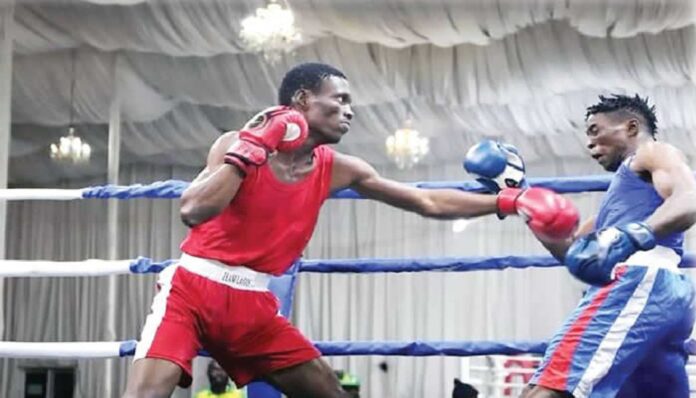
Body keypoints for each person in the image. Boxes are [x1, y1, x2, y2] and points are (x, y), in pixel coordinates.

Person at [122, 62, 579, 398]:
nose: (349, 110)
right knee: (146, 395)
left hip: (254, 306)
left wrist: (507, 200)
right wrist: (253, 147)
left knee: (329, 393)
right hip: (193, 290)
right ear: (302, 101)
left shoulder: (340, 168)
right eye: (339, 99)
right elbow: (194, 210)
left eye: (349, 102)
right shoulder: (234, 144)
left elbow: (424, 200)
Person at [512, 94, 696, 398]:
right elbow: (572, 252)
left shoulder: (653, 153)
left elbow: (689, 199)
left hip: (637, 282)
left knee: (547, 389)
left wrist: (634, 235)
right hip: (659, 296)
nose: (589, 143)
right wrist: (525, 199)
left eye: (595, 130)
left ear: (631, 127)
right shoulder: (621, 196)